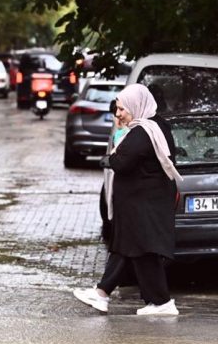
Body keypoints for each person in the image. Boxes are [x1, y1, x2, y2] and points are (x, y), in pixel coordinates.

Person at [74, 84, 183, 316]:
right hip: (142, 204)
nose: (118, 114)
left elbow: (120, 161)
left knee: (138, 250)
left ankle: (158, 302)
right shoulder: (155, 126)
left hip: (143, 205)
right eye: (117, 109)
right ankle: (107, 294)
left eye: (122, 109)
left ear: (136, 106)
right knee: (128, 249)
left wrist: (112, 150)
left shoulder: (143, 131)